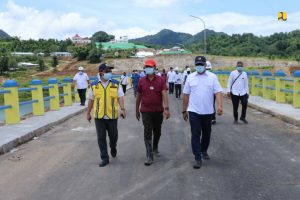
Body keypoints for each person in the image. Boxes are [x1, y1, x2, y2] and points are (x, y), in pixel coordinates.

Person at [182, 56, 223, 169]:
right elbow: (186, 95)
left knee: (207, 133)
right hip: (193, 111)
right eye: (198, 65)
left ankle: (204, 150)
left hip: (208, 111)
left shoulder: (212, 77)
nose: (199, 66)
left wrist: (219, 106)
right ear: (195, 65)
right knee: (195, 134)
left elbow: (218, 92)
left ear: (205, 65)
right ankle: (197, 158)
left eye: (201, 64)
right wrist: (184, 110)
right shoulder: (190, 77)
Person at [86, 63, 126, 167]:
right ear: (101, 72)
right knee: (101, 138)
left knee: (114, 136)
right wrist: (88, 113)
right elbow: (91, 100)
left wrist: (122, 109)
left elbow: (120, 97)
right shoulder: (94, 85)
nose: (109, 73)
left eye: (110, 71)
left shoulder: (116, 84)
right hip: (99, 116)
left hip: (112, 116)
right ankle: (104, 158)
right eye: (107, 71)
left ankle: (113, 146)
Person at [136, 59, 170, 166]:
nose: (148, 69)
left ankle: (155, 147)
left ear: (154, 68)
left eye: (150, 67)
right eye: (146, 67)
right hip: (146, 111)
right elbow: (139, 96)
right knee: (147, 132)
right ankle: (149, 155)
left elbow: (164, 93)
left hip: (158, 111)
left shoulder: (160, 80)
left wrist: (166, 108)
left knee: (157, 132)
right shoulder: (141, 81)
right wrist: (136, 109)